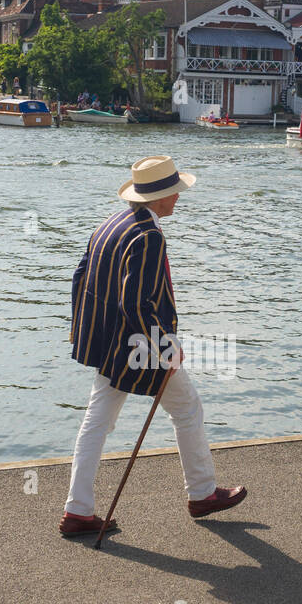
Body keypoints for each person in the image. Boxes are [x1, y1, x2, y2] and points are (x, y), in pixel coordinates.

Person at [61, 155, 247, 537]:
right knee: (186, 408)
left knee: (97, 421)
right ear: (159, 197)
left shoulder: (110, 223)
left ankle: (78, 510)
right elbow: (137, 304)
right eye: (174, 192)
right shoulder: (149, 236)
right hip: (138, 346)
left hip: (109, 343)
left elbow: (81, 277)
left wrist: (85, 334)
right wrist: (166, 347)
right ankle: (202, 494)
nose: (178, 198)